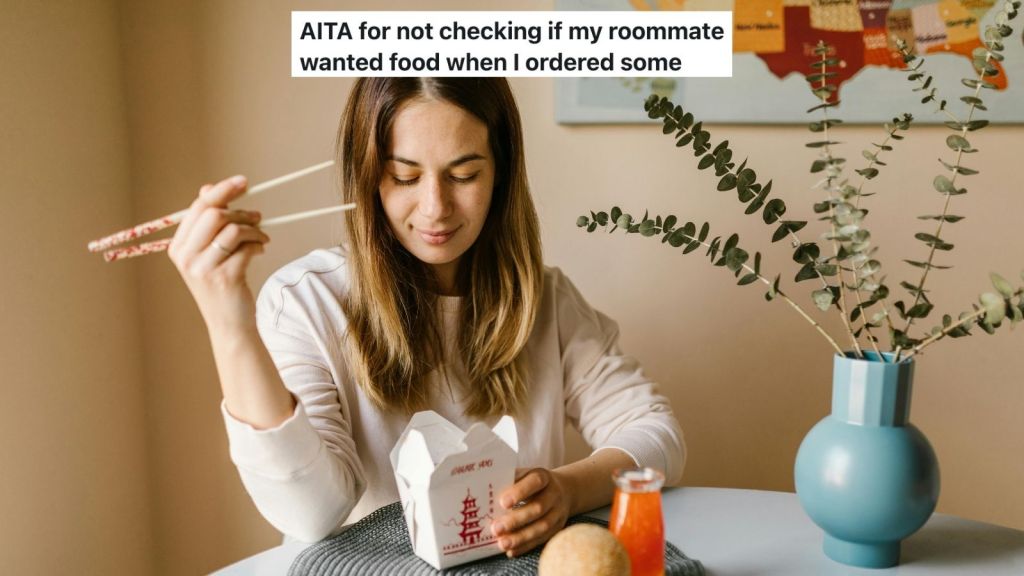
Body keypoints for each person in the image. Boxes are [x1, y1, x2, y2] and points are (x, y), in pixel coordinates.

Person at [168, 77, 685, 557]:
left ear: (500, 173)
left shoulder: (544, 299)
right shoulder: (307, 302)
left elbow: (657, 434)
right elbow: (312, 514)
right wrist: (227, 319)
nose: (435, 207)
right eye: (404, 176)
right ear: (370, 178)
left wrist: (568, 489)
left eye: (463, 174)